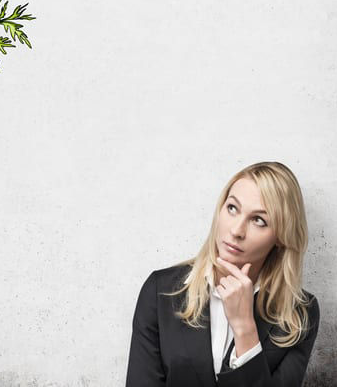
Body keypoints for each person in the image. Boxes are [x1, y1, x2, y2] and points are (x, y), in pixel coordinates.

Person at [125, 162, 320, 387]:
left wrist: (244, 327)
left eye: (259, 220)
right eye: (232, 208)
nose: (236, 231)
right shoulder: (161, 290)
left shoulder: (299, 315)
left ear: (280, 236)